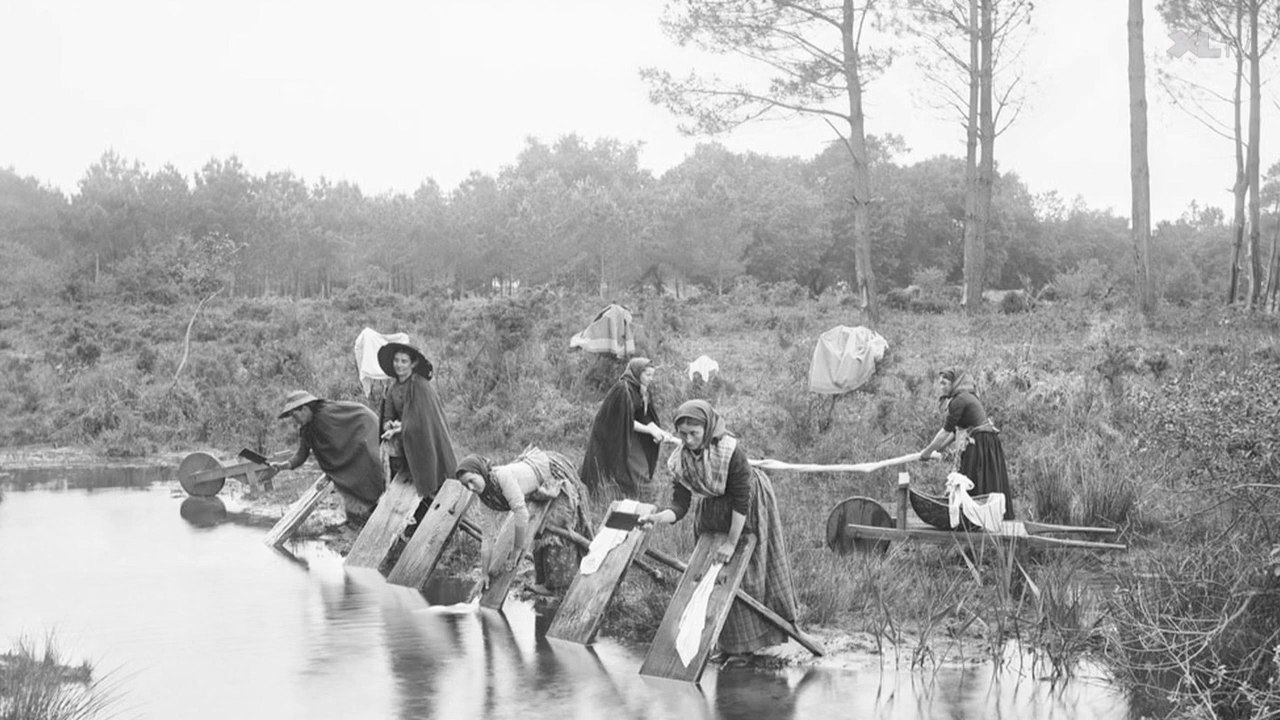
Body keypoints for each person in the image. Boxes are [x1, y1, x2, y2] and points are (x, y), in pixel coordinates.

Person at [637, 400, 801, 658]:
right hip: (713, 508)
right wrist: (657, 518)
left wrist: (732, 543)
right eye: (683, 434)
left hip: (748, 507)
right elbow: (680, 505)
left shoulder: (729, 451)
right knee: (712, 576)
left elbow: (741, 497)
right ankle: (727, 645)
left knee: (749, 571)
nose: (689, 440)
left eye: (695, 434)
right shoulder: (680, 460)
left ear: (708, 428)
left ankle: (757, 642)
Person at [455, 448, 593, 595]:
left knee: (554, 531)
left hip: (550, 472)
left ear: (480, 472)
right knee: (538, 535)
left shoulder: (502, 477)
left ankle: (562, 586)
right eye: (465, 485)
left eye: (471, 480)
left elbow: (521, 515)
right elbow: (487, 537)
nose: (470, 487)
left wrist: (516, 551)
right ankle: (545, 582)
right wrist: (484, 574)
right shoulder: (485, 498)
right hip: (530, 486)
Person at [272, 390, 385, 526]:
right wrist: (283, 465)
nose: (294, 420)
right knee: (348, 487)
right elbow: (301, 455)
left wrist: (330, 472)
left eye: (295, 415)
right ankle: (359, 519)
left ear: (305, 409)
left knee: (367, 469)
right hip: (357, 437)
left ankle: (374, 515)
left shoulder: (327, 415)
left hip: (364, 428)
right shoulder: (306, 428)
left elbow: (339, 446)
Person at [918, 368, 1014, 519]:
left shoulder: (959, 400)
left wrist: (927, 452)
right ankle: (977, 516)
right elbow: (956, 431)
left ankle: (974, 517)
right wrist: (940, 449)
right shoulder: (964, 397)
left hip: (981, 441)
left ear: (954, 383)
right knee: (976, 477)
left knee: (972, 477)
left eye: (945, 383)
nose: (941, 387)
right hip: (984, 440)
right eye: (940, 384)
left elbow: (944, 431)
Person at [579, 357, 676, 499]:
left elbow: (644, 417)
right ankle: (600, 498)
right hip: (611, 433)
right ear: (637, 373)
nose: (650, 379)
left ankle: (639, 496)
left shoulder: (642, 390)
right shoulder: (623, 390)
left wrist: (660, 431)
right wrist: (649, 430)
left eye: (652, 375)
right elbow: (623, 421)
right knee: (601, 467)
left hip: (628, 431)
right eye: (647, 375)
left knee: (638, 465)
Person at [376, 342, 458, 500]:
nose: (399, 365)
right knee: (388, 454)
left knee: (433, 482)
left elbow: (423, 420)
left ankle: (432, 495)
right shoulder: (392, 388)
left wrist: (402, 427)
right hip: (404, 439)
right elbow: (387, 417)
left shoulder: (420, 385)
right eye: (396, 360)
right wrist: (390, 426)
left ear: (412, 364)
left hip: (423, 438)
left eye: (404, 361)